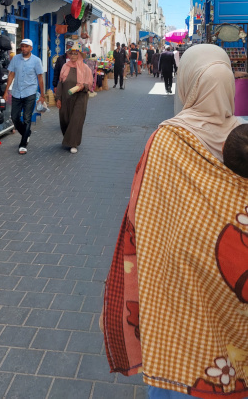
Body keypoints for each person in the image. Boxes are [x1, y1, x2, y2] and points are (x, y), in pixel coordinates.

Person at [102, 44, 246, 399]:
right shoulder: (242, 138)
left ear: (188, 84)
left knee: (181, 355)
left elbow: (143, 213)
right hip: (235, 284)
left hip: (180, 284)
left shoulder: (168, 139)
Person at [4, 38, 45, 155]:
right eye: (22, 46)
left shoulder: (36, 61)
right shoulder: (15, 58)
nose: (24, 48)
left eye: (26, 46)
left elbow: (40, 78)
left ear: (31, 48)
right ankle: (26, 133)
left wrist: (42, 95)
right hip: (17, 92)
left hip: (30, 92)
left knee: (27, 118)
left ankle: (23, 144)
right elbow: (11, 74)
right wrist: (6, 91)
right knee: (14, 117)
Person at [55, 41, 93, 154]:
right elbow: (61, 83)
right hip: (66, 97)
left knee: (76, 120)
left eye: (75, 54)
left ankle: (73, 143)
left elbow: (89, 84)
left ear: (80, 55)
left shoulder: (85, 68)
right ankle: (68, 138)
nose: (73, 56)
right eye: (71, 53)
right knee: (64, 119)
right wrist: (58, 98)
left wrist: (83, 86)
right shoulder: (65, 67)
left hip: (80, 97)